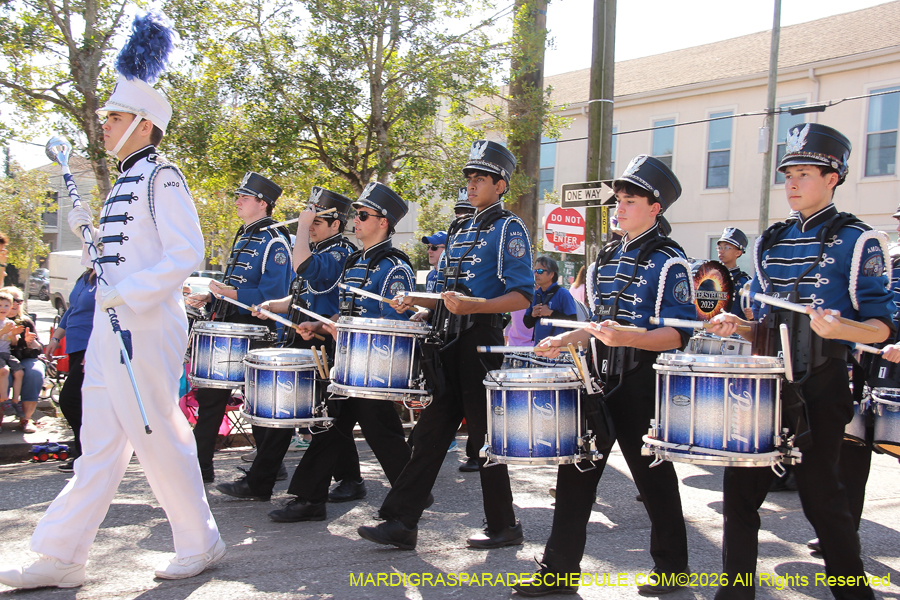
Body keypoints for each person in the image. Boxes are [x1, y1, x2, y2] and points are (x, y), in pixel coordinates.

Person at [0, 13, 223, 588]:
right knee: (97, 447)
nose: (105, 126)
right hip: (110, 326)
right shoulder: (125, 179)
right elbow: (124, 255)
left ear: (144, 124)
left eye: (116, 117)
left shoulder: (161, 177)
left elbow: (185, 252)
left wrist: (129, 289)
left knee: (157, 435)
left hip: (144, 326)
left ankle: (200, 541)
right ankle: (61, 555)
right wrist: (93, 241)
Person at [707, 123, 892, 600]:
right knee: (738, 495)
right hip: (766, 386)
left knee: (823, 500)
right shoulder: (770, 240)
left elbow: (881, 328)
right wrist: (738, 325)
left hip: (823, 382)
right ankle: (735, 593)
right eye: (787, 173)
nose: (790, 182)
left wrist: (841, 329)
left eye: (803, 173)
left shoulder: (860, 240)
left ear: (833, 177)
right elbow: (765, 323)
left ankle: (855, 594)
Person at [511, 155, 694, 597]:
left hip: (642, 382)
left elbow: (678, 335)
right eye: (619, 199)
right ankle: (558, 571)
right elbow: (596, 327)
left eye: (630, 200)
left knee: (652, 477)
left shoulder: (671, 261)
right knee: (575, 473)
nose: (620, 207)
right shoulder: (604, 257)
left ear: (656, 207)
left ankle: (673, 568)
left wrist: (627, 336)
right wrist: (566, 339)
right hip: (597, 379)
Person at [358, 139, 533, 550]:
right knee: (431, 434)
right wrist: (421, 304)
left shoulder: (509, 228)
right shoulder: (459, 226)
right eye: (469, 177)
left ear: (501, 184)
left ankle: (503, 524)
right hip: (449, 338)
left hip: (481, 340)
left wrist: (479, 305)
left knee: (485, 437)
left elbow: (524, 296)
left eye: (481, 178)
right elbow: (446, 291)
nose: (472, 185)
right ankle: (402, 523)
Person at [265, 182, 416, 523]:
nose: (356, 220)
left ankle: (411, 498)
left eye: (364, 215)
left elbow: (395, 322)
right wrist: (320, 326)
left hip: (374, 367)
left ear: (384, 222)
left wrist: (344, 330)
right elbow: (343, 313)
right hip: (348, 363)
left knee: (383, 435)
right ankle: (310, 499)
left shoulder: (395, 267)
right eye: (357, 214)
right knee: (330, 426)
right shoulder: (354, 262)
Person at [215, 186, 363, 503]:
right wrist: (273, 304)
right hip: (302, 336)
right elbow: (300, 296)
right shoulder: (321, 249)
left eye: (316, 223)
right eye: (308, 223)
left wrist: (299, 230)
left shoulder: (338, 253)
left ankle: (347, 479)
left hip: (325, 340)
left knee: (327, 416)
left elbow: (303, 268)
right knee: (300, 414)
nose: (310, 228)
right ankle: (263, 481)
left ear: (336, 224)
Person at [186, 172, 294, 483]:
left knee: (257, 402)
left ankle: (270, 465)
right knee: (211, 398)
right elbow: (233, 286)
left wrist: (227, 293)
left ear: (263, 204)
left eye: (244, 197)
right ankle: (201, 466)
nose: (237, 201)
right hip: (229, 326)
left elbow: (274, 295)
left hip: (255, 330)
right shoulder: (244, 234)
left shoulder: (275, 240)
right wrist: (210, 296)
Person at [45, 269, 97, 471]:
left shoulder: (107, 275)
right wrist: (56, 338)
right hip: (75, 346)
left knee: (69, 399)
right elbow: (71, 310)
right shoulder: (84, 277)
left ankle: (88, 453)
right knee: (81, 402)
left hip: (91, 347)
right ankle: (85, 453)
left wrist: (95, 348)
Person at [2, 286, 43, 434]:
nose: (14, 304)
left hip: (22, 358)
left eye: (18, 301)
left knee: (34, 372)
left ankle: (26, 418)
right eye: (10, 300)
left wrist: (29, 343)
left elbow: (38, 349)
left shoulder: (25, 321)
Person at [523, 255, 579, 343]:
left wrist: (550, 313)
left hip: (559, 351)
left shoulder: (563, 294)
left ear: (552, 274)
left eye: (540, 271)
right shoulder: (535, 294)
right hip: (539, 349)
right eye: (535, 271)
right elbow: (527, 323)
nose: (536, 274)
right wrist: (533, 315)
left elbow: (573, 321)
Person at [715, 227, 752, 317]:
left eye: (726, 247)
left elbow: (752, 311)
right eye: (719, 247)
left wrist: (752, 314)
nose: (721, 251)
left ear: (738, 253)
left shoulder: (745, 281)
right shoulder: (709, 277)